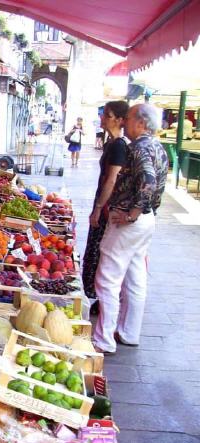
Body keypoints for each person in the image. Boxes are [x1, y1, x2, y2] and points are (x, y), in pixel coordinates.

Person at [93, 103, 169, 354]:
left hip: (130, 221)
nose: (124, 122)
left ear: (142, 123)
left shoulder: (138, 148)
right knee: (135, 278)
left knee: (107, 279)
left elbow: (147, 180)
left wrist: (132, 213)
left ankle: (104, 339)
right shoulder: (158, 147)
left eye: (129, 118)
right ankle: (129, 332)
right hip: (147, 221)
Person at [81, 101, 130, 308]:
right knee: (96, 250)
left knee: (100, 252)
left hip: (108, 207)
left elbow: (111, 179)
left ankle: (103, 301)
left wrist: (99, 209)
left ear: (119, 120)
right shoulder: (111, 143)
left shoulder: (119, 146)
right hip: (102, 202)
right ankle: (99, 299)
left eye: (107, 115)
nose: (102, 118)